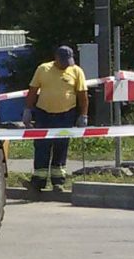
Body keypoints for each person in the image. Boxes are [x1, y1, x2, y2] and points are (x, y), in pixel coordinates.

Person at [25, 44, 88, 193]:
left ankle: (58, 182)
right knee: (42, 147)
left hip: (66, 115)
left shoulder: (76, 71)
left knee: (61, 146)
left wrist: (83, 115)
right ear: (56, 58)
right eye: (64, 61)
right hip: (44, 114)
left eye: (69, 61)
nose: (66, 65)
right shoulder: (43, 69)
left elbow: (82, 95)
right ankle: (38, 182)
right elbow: (33, 91)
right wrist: (28, 110)